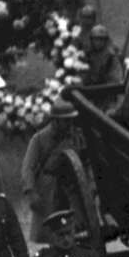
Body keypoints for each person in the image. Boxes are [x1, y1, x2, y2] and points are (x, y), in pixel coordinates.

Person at [21, 99, 83, 244]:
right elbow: (27, 167)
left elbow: (84, 163)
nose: (69, 125)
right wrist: (31, 192)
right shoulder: (39, 139)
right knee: (51, 229)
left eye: (71, 120)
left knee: (75, 228)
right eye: (65, 121)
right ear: (55, 121)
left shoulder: (76, 136)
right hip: (49, 187)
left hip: (71, 186)